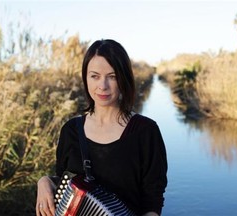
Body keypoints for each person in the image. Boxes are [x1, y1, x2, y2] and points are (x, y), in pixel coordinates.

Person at [36, 39, 168, 216]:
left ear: (124, 78)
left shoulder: (145, 132)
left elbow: (152, 202)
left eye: (112, 77)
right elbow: (64, 184)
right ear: (86, 78)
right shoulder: (71, 130)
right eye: (95, 76)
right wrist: (44, 182)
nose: (103, 86)